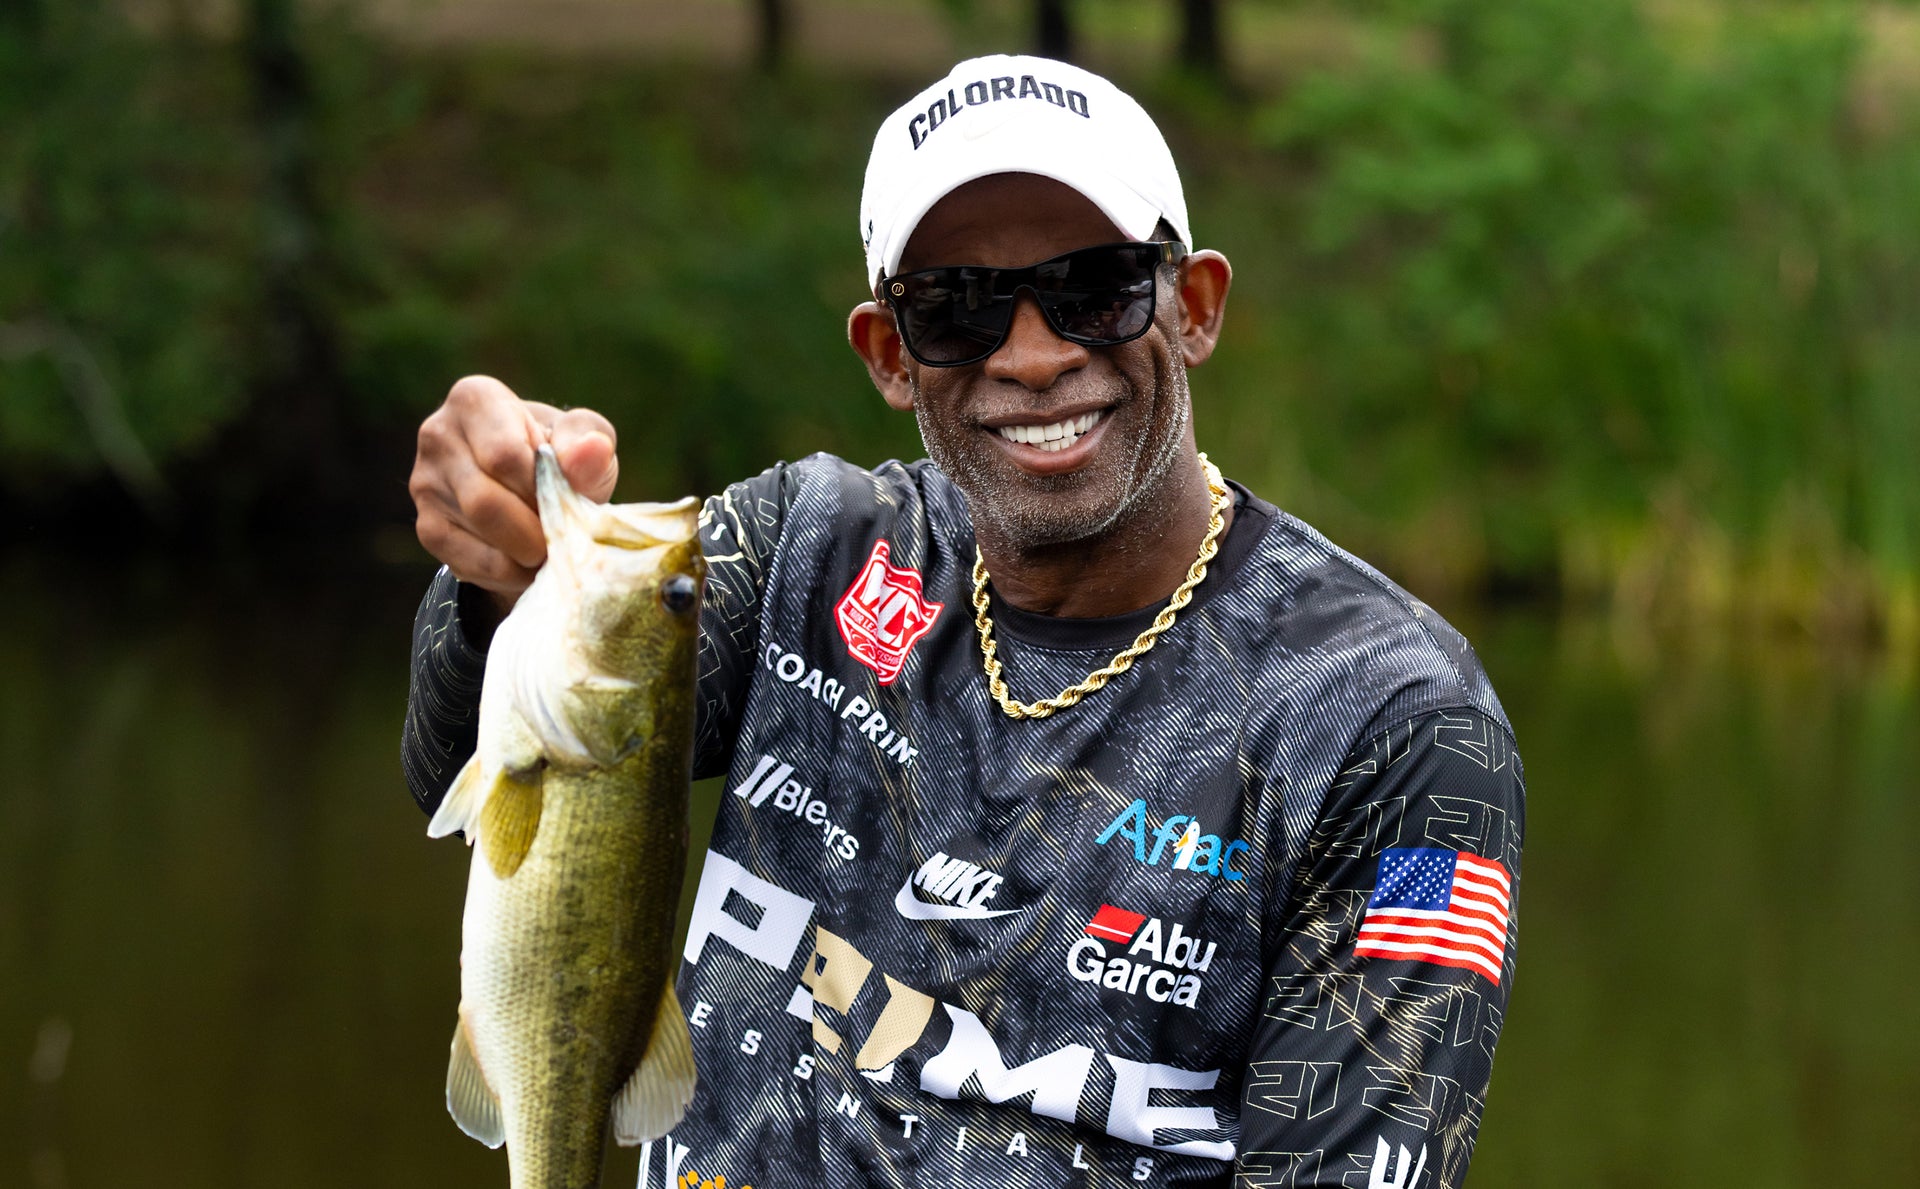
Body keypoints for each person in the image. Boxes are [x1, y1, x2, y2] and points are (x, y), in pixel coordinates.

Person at [403, 54, 1524, 1189]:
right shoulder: (809, 543)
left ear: (1192, 309)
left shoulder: (1398, 722)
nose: (1033, 356)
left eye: (1095, 288)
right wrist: (503, 575)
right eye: (957, 309)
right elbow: (472, 766)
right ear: (892, 355)